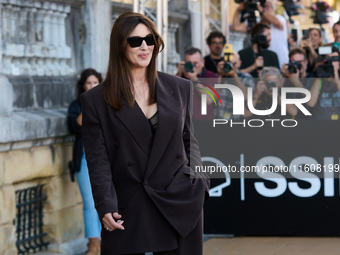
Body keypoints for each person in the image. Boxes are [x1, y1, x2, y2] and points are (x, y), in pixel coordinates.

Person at [80, 11, 210, 255]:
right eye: (135, 41)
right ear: (120, 46)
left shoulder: (180, 87)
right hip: (130, 203)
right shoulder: (96, 100)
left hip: (180, 198)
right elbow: (98, 160)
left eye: (149, 40)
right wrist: (105, 204)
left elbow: (189, 141)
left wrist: (199, 182)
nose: (144, 47)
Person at [67, 68, 103, 255]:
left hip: (105, 161)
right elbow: (74, 126)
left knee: (105, 201)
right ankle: (93, 244)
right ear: (83, 85)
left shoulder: (107, 103)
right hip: (83, 160)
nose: (92, 86)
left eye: (95, 82)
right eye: (88, 83)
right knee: (89, 203)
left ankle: (105, 241)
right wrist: (88, 103)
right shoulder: (77, 105)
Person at [176, 46, 216, 120]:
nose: (192, 66)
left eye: (195, 63)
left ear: (202, 62)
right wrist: (179, 74)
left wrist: (194, 80)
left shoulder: (210, 76)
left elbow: (209, 99)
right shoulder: (180, 76)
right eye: (189, 63)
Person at [215, 52, 255, 120]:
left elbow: (246, 97)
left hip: (236, 121)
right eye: (228, 64)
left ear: (240, 63)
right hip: (218, 119)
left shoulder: (246, 77)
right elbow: (212, 97)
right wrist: (219, 75)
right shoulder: (218, 76)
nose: (231, 66)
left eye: (234, 64)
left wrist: (234, 76)